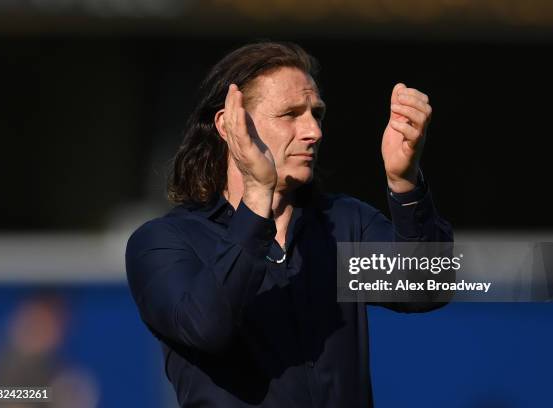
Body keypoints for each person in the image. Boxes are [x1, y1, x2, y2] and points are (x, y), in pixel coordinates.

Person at [126, 41, 453, 407]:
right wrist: (257, 196)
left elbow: (426, 287)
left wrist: (404, 182)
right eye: (290, 114)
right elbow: (208, 326)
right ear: (229, 126)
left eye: (316, 113)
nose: (314, 131)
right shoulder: (167, 241)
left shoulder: (340, 223)